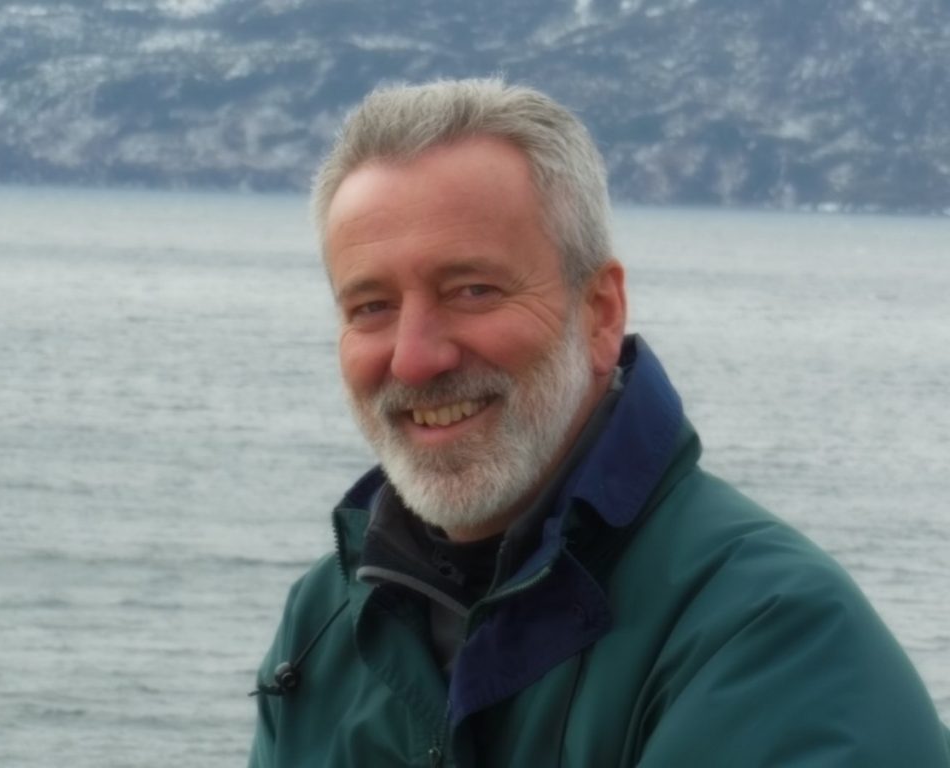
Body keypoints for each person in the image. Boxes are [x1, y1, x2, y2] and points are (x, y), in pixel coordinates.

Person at [248, 78, 950, 767]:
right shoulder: (329, 620)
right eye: (370, 306)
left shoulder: (770, 636)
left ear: (601, 311)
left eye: (472, 290)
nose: (415, 358)